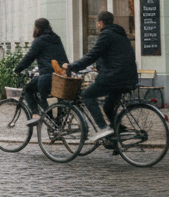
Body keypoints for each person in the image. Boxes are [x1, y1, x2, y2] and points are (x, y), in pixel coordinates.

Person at [63, 10, 138, 142]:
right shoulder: (120, 35)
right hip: (128, 77)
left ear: (100, 23)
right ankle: (116, 134)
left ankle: (103, 128)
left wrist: (72, 66)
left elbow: (93, 54)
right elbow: (112, 56)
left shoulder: (106, 34)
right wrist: (99, 66)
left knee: (87, 95)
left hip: (114, 77)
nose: (97, 26)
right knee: (108, 107)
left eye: (97, 23)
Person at [14, 18, 68, 125]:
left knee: (28, 90)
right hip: (62, 75)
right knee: (56, 99)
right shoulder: (56, 38)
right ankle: (56, 123)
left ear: (37, 28)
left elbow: (29, 58)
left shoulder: (39, 41)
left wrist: (18, 69)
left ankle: (35, 114)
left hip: (47, 75)